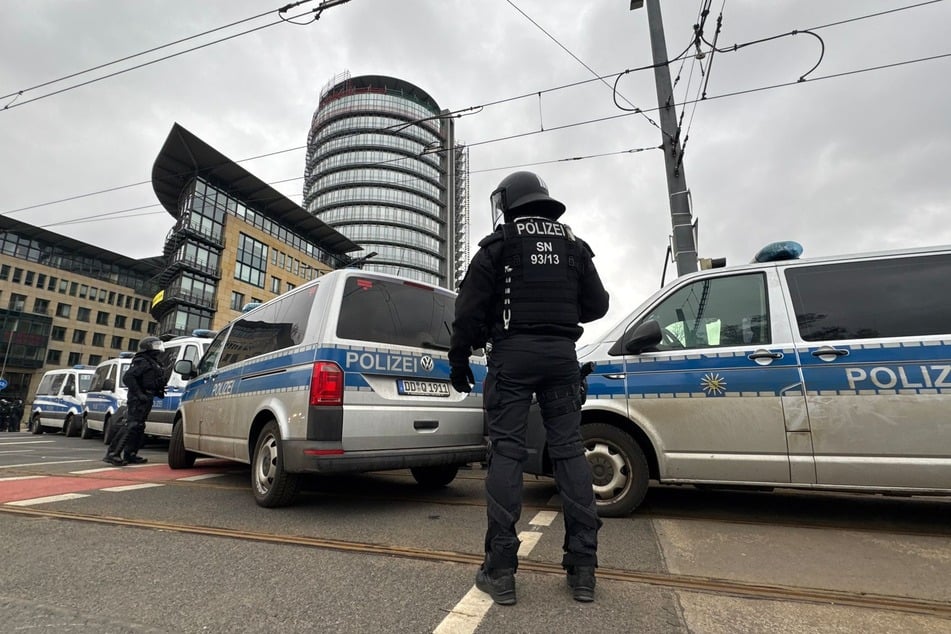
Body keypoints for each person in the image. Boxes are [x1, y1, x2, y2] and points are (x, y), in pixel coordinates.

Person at [449, 171, 610, 605]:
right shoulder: (574, 245)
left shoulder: (498, 246)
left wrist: (458, 359)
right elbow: (599, 304)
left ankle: (500, 570)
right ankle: (583, 570)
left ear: (507, 202)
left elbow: (467, 312)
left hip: (512, 357)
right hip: (561, 358)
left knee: (506, 452)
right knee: (569, 452)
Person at [103, 337, 168, 466]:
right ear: (148, 346)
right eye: (155, 345)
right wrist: (139, 394)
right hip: (137, 399)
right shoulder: (142, 360)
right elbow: (128, 378)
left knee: (139, 426)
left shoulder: (154, 362)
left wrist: (157, 390)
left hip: (147, 397)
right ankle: (112, 453)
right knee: (131, 425)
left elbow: (151, 380)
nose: (158, 347)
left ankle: (130, 454)